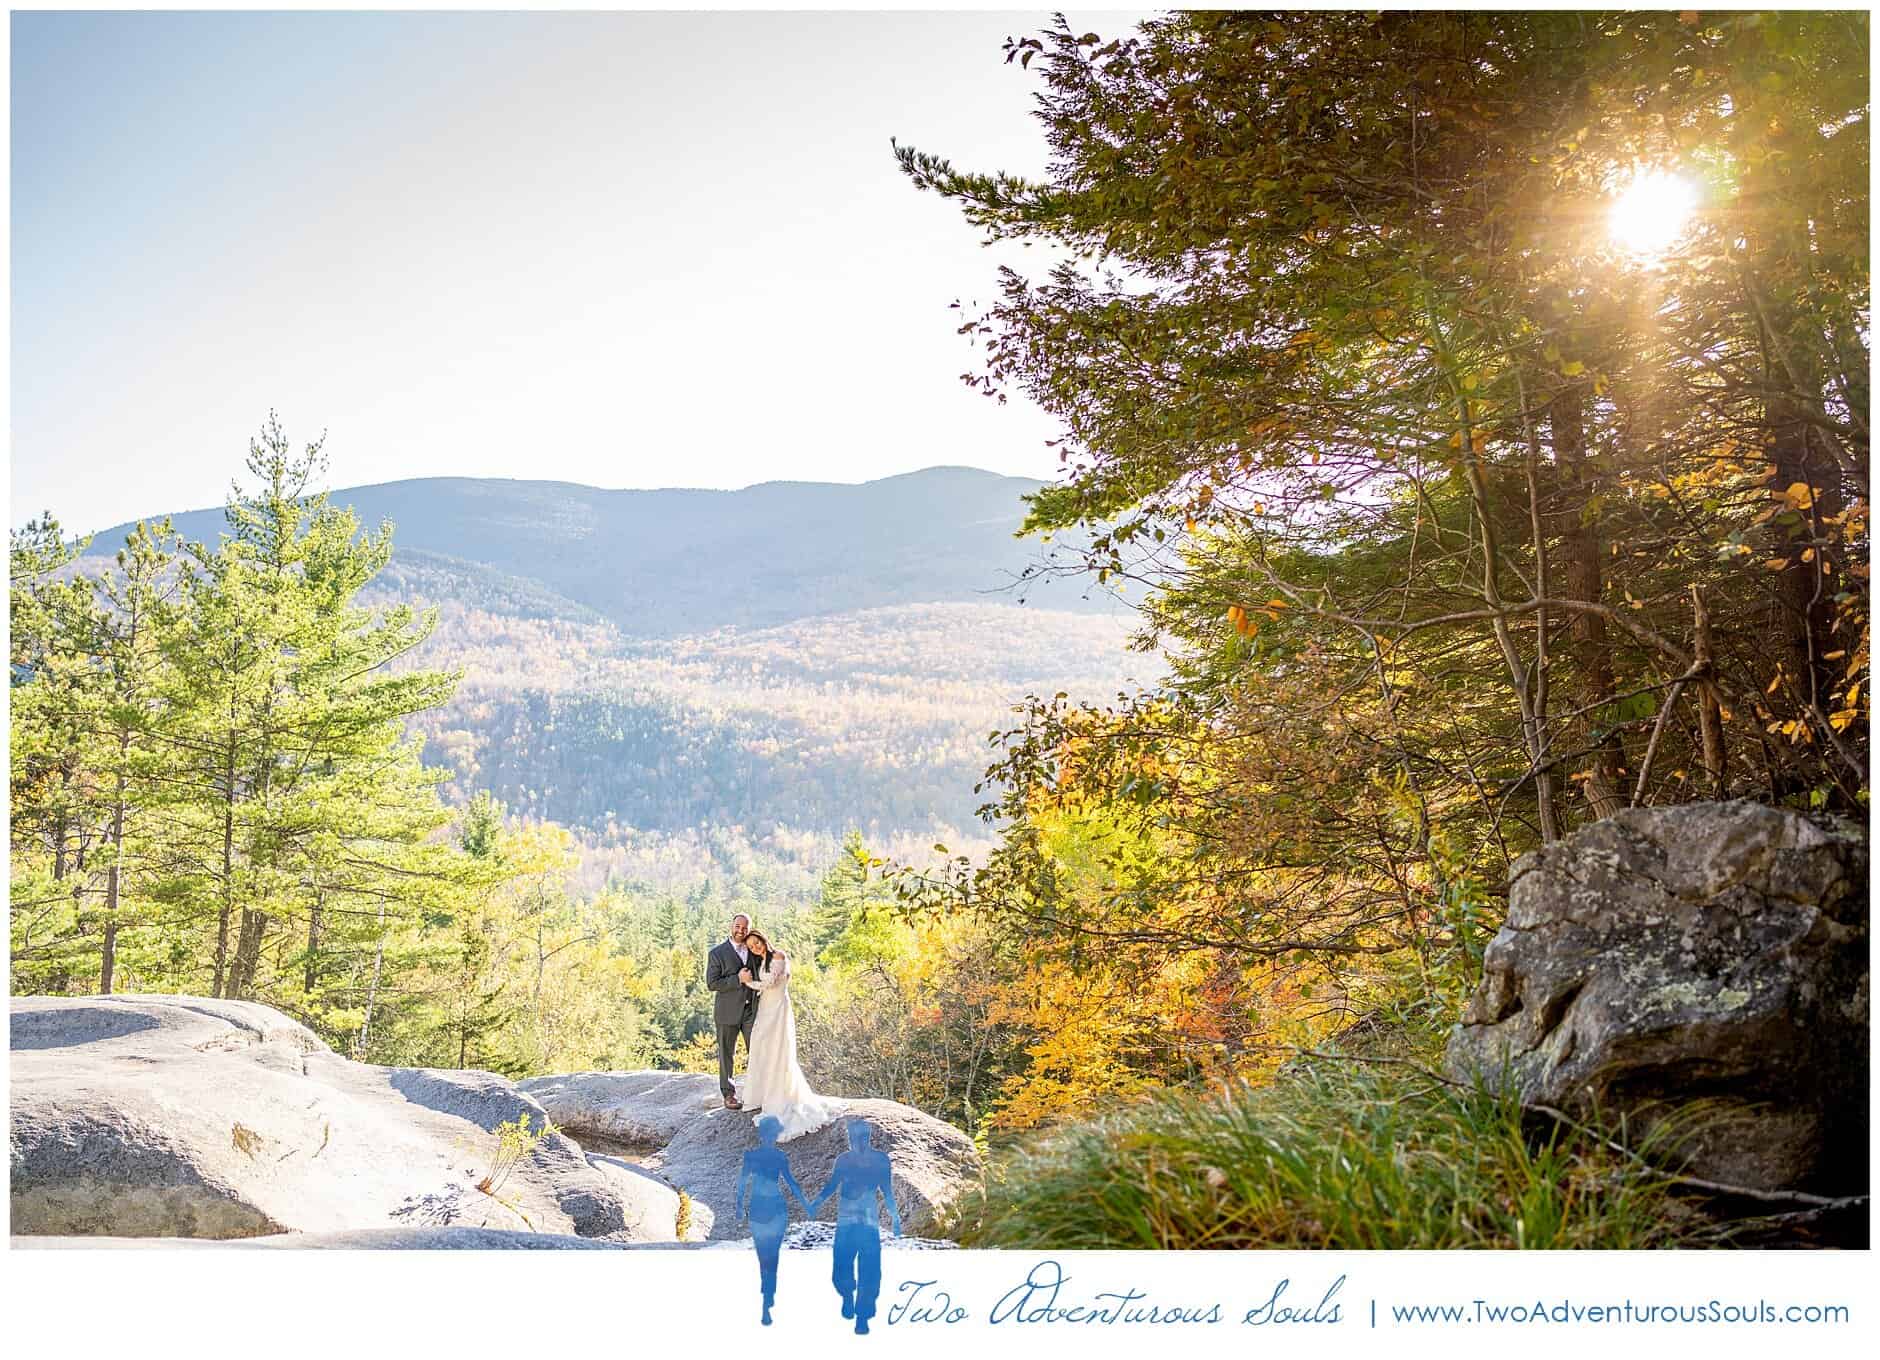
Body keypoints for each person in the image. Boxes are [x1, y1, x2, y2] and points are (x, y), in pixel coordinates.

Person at [738, 931, 838, 1140]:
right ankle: (761, 1093)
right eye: (751, 946)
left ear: (764, 940)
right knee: (760, 1045)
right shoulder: (762, 960)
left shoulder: (778, 956)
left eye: (757, 943)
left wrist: (747, 982)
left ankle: (779, 1095)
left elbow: (772, 983)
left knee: (777, 1049)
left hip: (778, 1010)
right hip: (766, 1008)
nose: (755, 947)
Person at [808, 1119, 901, 1335]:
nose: (857, 1142)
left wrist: (895, 1217)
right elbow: (833, 1185)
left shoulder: (880, 1160)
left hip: (868, 1221)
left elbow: (887, 1191)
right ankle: (848, 1295)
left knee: (869, 1269)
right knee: (842, 1264)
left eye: (861, 1137)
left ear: (868, 1138)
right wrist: (817, 1202)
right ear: (850, 1138)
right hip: (847, 1219)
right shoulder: (844, 1160)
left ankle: (862, 1316)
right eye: (854, 1138)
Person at [737, 1115, 812, 1326]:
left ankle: (767, 1296)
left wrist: (739, 1207)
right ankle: (767, 1296)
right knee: (770, 1254)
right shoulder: (776, 1156)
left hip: (764, 1205)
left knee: (765, 1253)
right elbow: (791, 1183)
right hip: (771, 1205)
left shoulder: (754, 1156)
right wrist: (806, 1204)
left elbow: (744, 1184)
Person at [705, 913, 760, 1109]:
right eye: (738, 926)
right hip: (726, 1012)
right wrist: (738, 979)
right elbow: (712, 983)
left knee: (757, 1050)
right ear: (731, 926)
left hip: (750, 1011)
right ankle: (729, 1095)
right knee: (727, 1054)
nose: (740, 931)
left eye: (745, 928)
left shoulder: (754, 950)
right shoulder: (717, 953)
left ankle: (759, 1092)